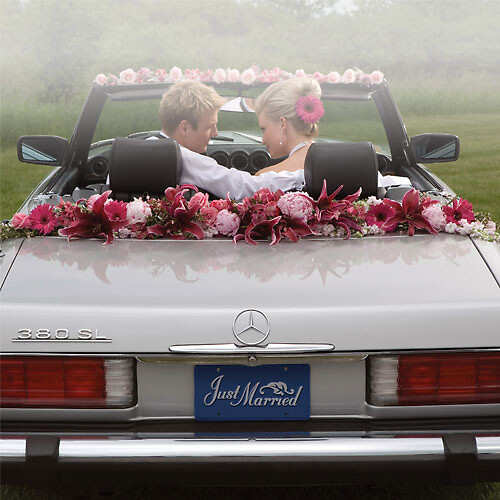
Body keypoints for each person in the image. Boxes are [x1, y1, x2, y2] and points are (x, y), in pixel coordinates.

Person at [155, 81, 305, 199]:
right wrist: (303, 175)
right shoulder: (184, 158)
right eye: (209, 127)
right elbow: (243, 188)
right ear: (185, 128)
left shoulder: (146, 147)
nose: (215, 133)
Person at [254, 77, 321, 176]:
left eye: (264, 129)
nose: (263, 140)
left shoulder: (267, 177)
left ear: (282, 124)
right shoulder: (337, 165)